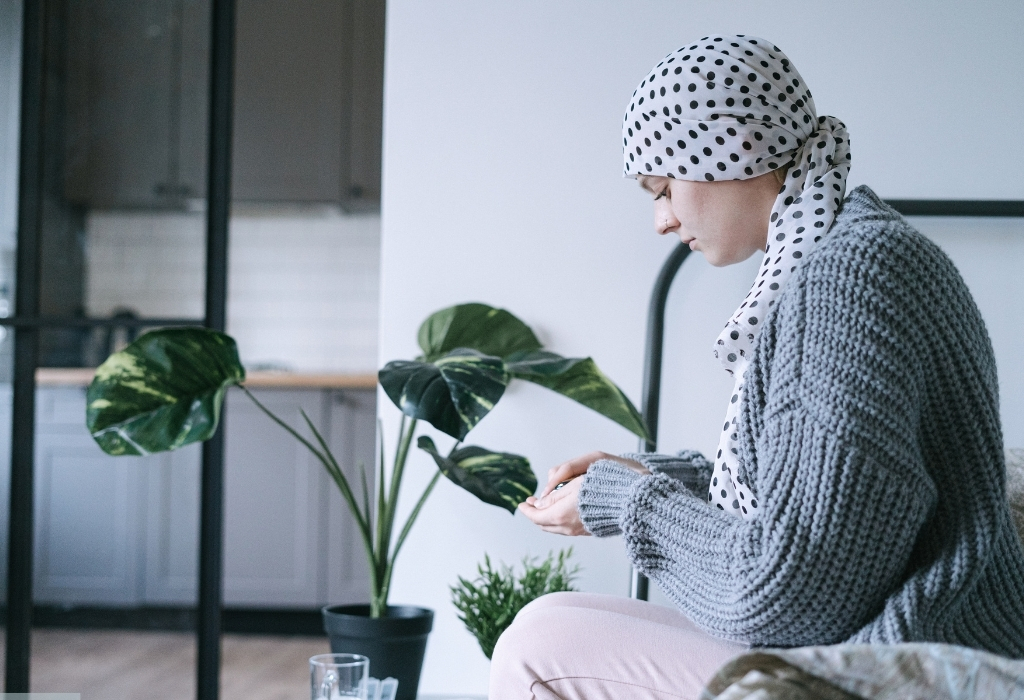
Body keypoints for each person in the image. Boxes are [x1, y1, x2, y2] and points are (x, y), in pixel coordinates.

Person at [488, 34, 1024, 700]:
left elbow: (793, 594)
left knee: (537, 648)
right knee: (549, 619)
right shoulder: (851, 251)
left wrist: (627, 502)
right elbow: (827, 502)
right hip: (891, 630)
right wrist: (646, 479)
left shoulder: (847, 281)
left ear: (734, 146)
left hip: (901, 653)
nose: (661, 221)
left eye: (663, 188)